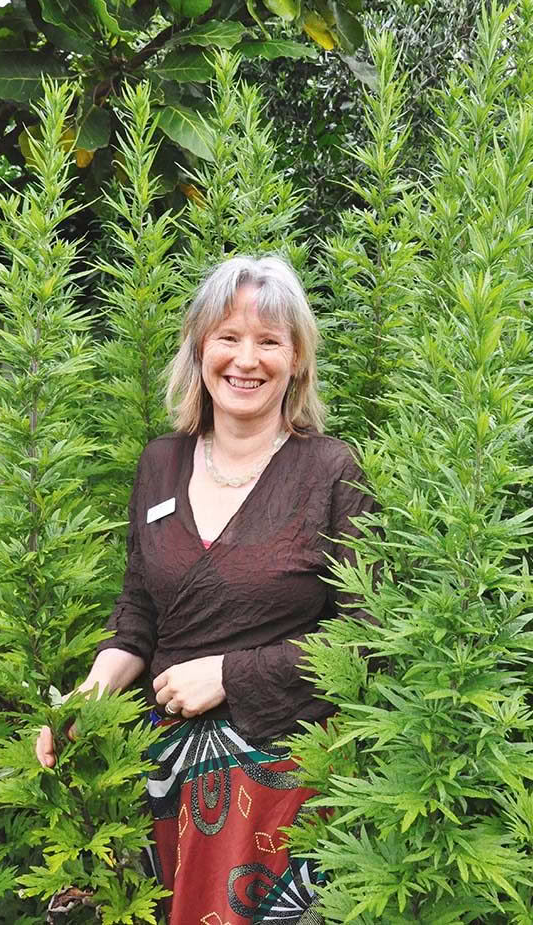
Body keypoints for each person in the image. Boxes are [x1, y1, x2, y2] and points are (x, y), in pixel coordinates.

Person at [36, 255, 376, 924]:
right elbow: (137, 613)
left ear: (297, 360)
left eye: (269, 340)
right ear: (199, 347)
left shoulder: (332, 470)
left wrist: (230, 673)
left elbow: (364, 639)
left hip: (278, 774)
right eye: (228, 336)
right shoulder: (161, 463)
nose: (245, 359)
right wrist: (88, 696)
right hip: (162, 772)